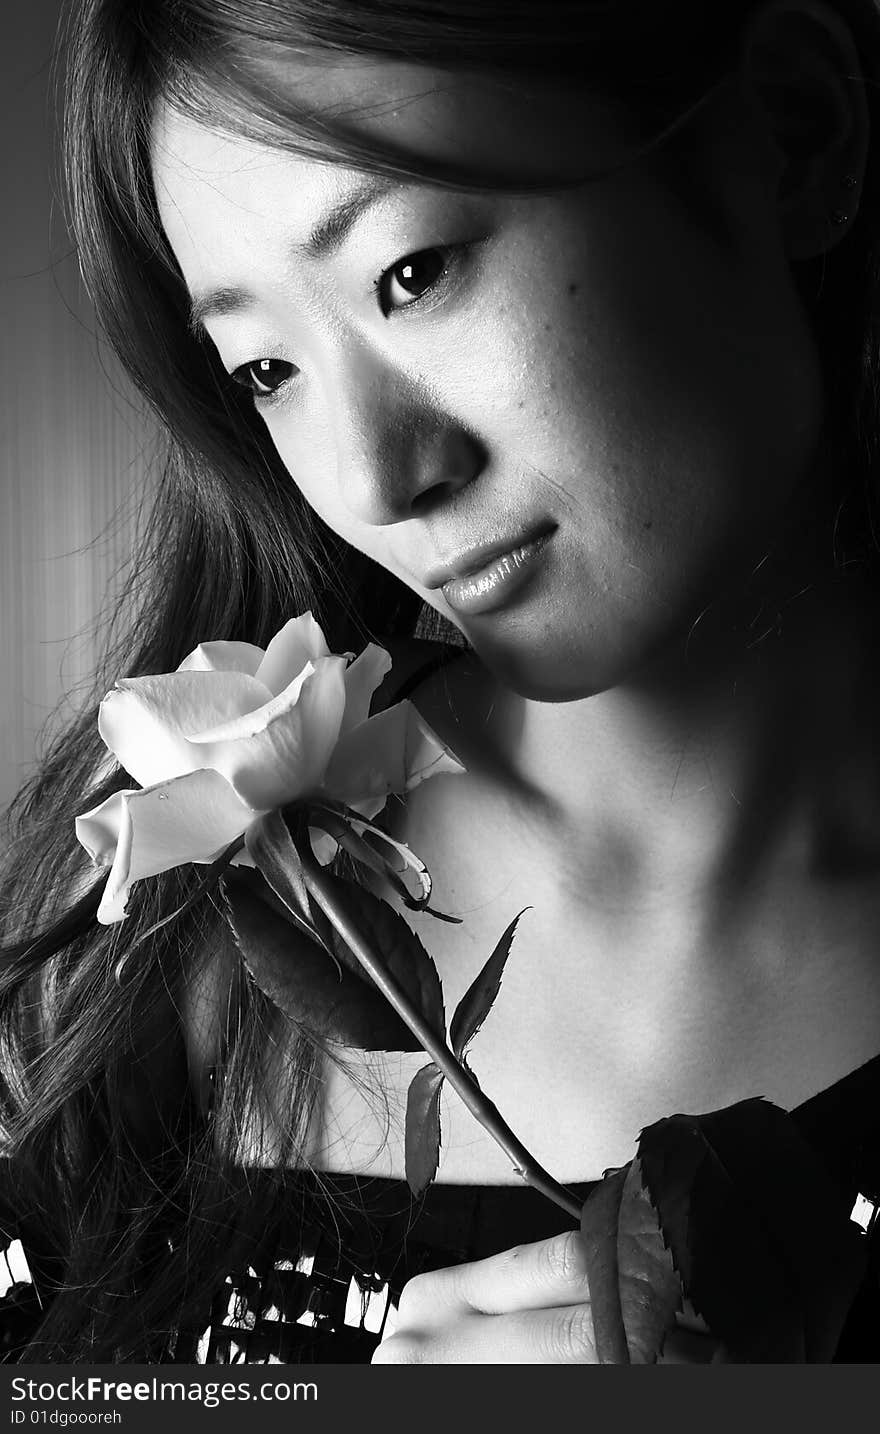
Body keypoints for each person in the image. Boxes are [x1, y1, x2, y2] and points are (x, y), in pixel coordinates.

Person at [1, 0, 879, 1364]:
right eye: (267, 368)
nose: (372, 480)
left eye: (413, 272)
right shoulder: (156, 936)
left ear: (791, 135)